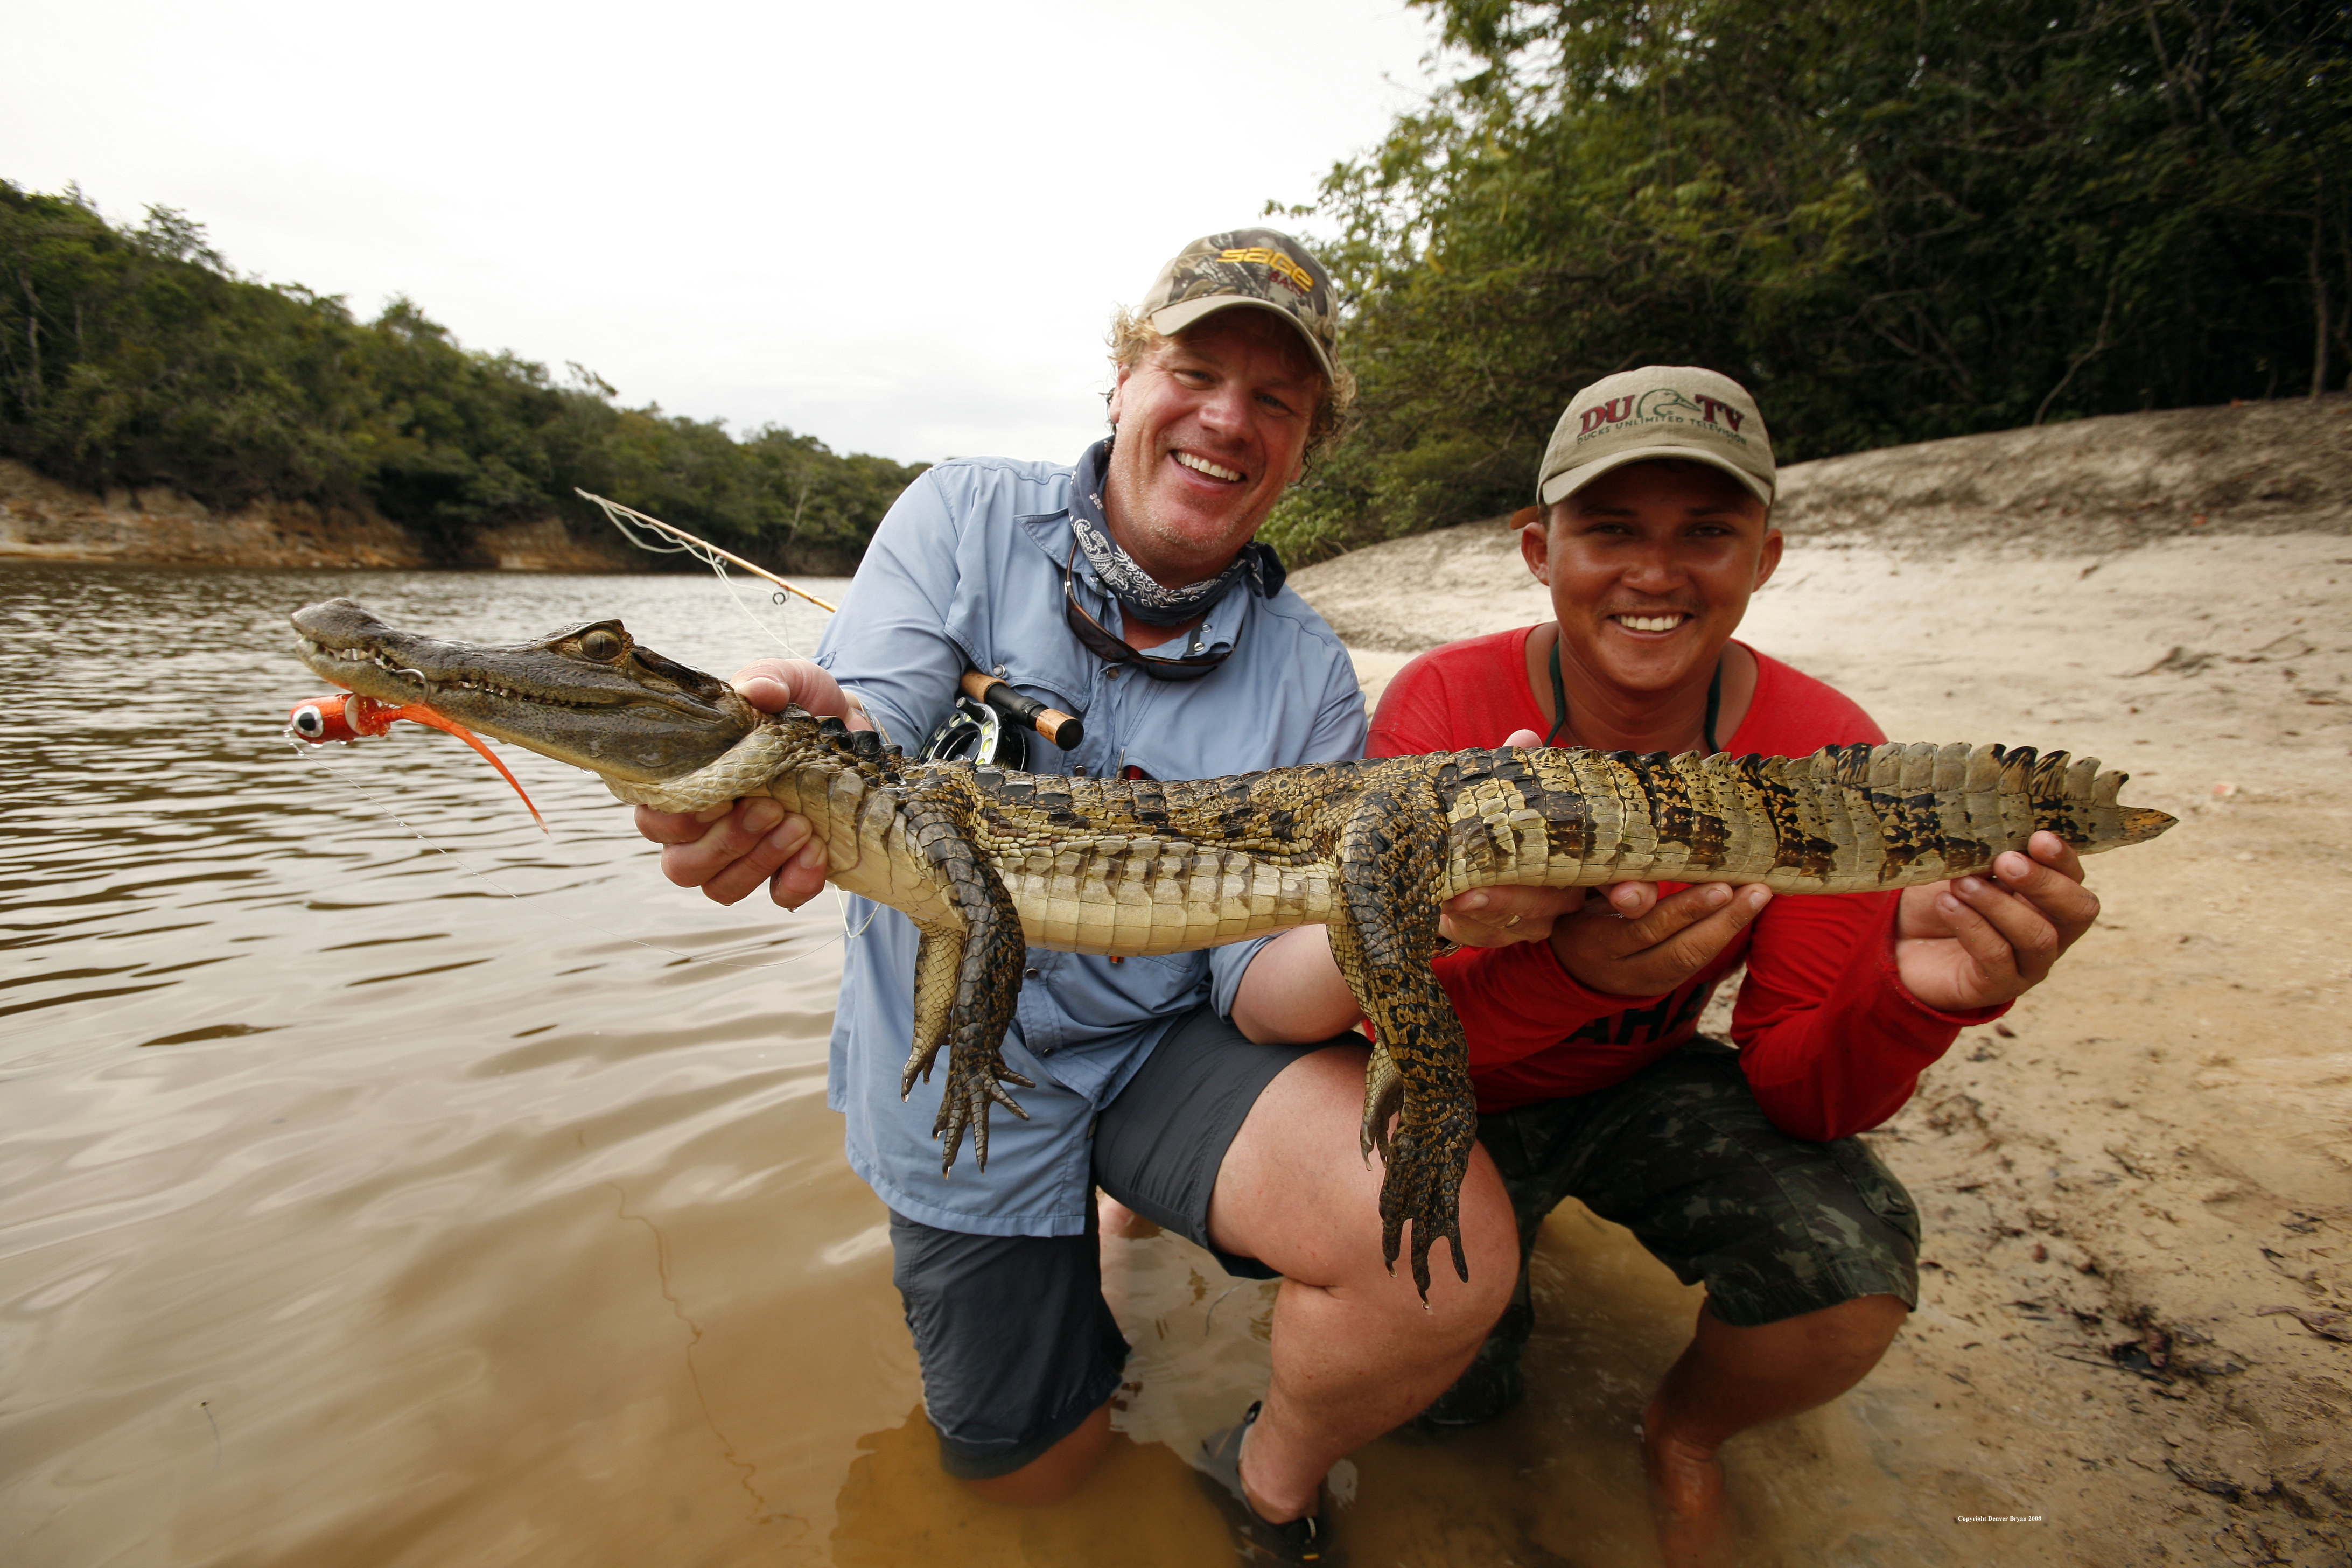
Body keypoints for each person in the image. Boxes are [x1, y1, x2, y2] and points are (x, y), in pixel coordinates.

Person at [634, 230, 1530, 1564]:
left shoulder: (1307, 675)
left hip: (1166, 1041)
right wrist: (813, 732)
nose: (1228, 417)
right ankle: (1099, 1255)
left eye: (1276, 399)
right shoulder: (958, 517)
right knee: (1032, 1484)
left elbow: (1266, 989)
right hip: (962, 1068)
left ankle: (1266, 1482)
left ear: (1304, 444)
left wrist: (1405, 910)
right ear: (1122, 378)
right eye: (1196, 368)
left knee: (1441, 1241)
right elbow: (869, 721)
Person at [1230, 366, 2104, 1564]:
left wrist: (1914, 999)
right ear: (1540, 551)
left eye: (1705, 532)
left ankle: (1682, 1432)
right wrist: (1571, 972)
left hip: (1639, 1076)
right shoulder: (1447, 703)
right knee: (1448, 1408)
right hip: (1453, 1083)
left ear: (1766, 555)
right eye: (1609, 530)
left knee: (1848, 1267)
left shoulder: (1823, 749)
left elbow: (1803, 1092)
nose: (1654, 572)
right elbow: (1390, 1028)